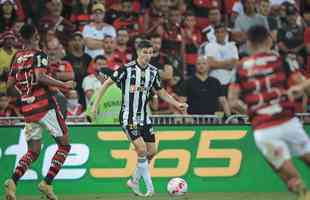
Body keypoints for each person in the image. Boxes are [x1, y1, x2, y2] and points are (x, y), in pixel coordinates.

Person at [91, 40, 188, 197]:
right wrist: (95, 106)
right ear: (138, 52)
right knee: (141, 149)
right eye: (145, 52)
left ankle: (134, 181)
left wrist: (177, 104)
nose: (148, 56)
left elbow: (161, 92)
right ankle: (149, 187)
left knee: (152, 151)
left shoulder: (154, 72)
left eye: (151, 53)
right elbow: (106, 84)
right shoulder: (126, 69)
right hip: (128, 118)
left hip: (144, 117)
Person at [228, 25, 310, 200]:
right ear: (269, 40)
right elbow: (301, 85)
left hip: (264, 130)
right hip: (288, 123)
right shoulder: (281, 61)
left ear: (248, 44)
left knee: (293, 179)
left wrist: (251, 111)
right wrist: (299, 88)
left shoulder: (240, 68)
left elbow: (233, 101)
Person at [4, 24, 75, 200]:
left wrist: (26, 96)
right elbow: (40, 76)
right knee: (65, 146)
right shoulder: (39, 54)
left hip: (27, 110)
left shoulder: (16, 57)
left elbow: (9, 87)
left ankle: (12, 182)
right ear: (36, 36)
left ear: (21, 38)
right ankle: (47, 183)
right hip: (45, 107)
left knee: (33, 151)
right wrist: (63, 85)